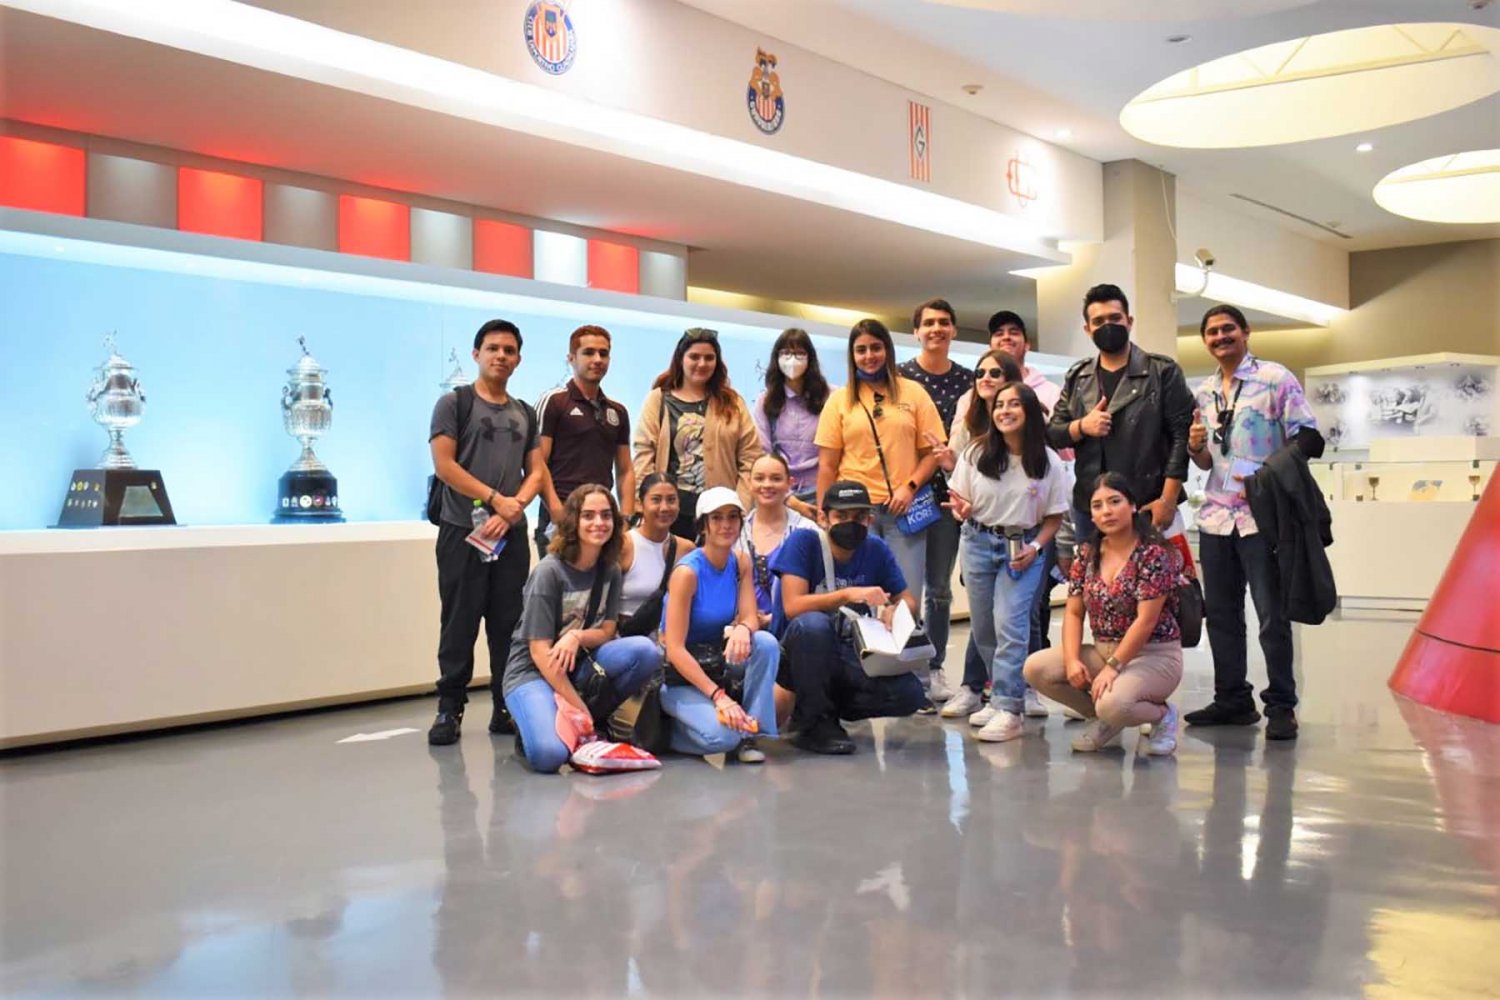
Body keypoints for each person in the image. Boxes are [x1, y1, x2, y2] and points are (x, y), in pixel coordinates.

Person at [1184, 304, 1317, 742]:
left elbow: (1309, 438)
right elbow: (1207, 460)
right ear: (1204, 340)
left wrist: (1268, 473)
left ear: (1246, 332)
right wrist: (1195, 447)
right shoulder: (1204, 391)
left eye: (1228, 330)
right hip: (1217, 516)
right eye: (1212, 332)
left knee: (1271, 616)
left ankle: (1281, 704)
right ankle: (1232, 699)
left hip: (1263, 516)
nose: (1220, 337)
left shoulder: (1276, 379)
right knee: (1220, 615)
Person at [427, 319, 546, 746]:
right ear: (476, 354)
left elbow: (535, 472)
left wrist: (514, 508)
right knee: (459, 622)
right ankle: (449, 708)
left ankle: (505, 706)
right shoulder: (453, 404)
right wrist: (496, 499)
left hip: (509, 533)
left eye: (509, 350)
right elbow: (446, 466)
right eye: (493, 348)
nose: (501, 356)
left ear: (518, 359)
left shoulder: (525, 412)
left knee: (508, 624)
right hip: (463, 530)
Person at [814, 319, 945, 701]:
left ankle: (916, 683)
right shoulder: (840, 401)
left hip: (904, 509)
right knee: (857, 599)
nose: (869, 355)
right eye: (861, 349)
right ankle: (857, 680)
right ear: (852, 355)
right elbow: (827, 464)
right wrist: (826, 513)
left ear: (887, 349)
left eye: (875, 347)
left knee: (906, 598)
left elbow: (931, 454)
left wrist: (910, 486)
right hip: (855, 514)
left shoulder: (913, 393)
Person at [501, 485, 663, 773]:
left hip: (579, 663)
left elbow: (608, 629)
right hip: (531, 672)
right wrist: (579, 707)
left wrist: (577, 636)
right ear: (573, 521)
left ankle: (590, 720)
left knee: (646, 652)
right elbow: (539, 653)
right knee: (549, 756)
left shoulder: (610, 569)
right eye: (588, 516)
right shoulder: (549, 572)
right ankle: (543, 722)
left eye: (605, 515)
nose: (598, 523)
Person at [944, 383, 1070, 741]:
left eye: (1014, 404)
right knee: (984, 628)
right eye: (1000, 405)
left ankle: (1009, 706)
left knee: (1011, 625)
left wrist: (1037, 547)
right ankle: (998, 695)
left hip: (1023, 548)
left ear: (1029, 411)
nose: (1005, 411)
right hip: (977, 541)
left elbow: (1054, 517)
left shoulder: (1048, 461)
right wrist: (961, 511)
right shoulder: (975, 452)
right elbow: (960, 502)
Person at [1023, 473, 1183, 755]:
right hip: (1103, 649)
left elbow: (1146, 622)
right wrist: (1072, 660)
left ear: (1132, 506)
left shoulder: (1153, 554)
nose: (1106, 511)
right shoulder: (1087, 553)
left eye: (1114, 501)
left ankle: (1162, 716)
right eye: (1097, 506)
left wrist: (1112, 669)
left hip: (1153, 654)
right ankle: (1104, 719)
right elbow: (1073, 612)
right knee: (1036, 668)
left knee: (1114, 703)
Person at [771, 481, 929, 754]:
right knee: (813, 625)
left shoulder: (876, 549)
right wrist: (848, 595)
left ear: (869, 519)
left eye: (858, 517)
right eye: (841, 516)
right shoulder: (804, 542)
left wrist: (896, 610)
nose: (850, 523)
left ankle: (827, 709)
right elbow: (793, 606)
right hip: (797, 655)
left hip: (849, 652)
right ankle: (813, 725)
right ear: (823, 518)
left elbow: (908, 599)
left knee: (910, 694)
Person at [1046, 284, 1195, 543]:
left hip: (1148, 502)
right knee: (1096, 582)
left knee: (1158, 581)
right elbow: (1054, 434)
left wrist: (1168, 500)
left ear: (1129, 321)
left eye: (1115, 318)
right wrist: (1082, 426)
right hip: (1091, 508)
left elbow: (1181, 438)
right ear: (1087, 329)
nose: (1108, 326)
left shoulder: (1162, 371)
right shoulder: (1078, 377)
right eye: (1098, 321)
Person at [659, 487, 781, 763]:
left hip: (714, 662)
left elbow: (751, 617)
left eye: (732, 517)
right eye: (717, 518)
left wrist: (743, 628)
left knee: (765, 643)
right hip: (679, 676)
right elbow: (674, 649)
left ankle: (751, 733)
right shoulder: (687, 573)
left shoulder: (740, 562)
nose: (726, 525)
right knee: (723, 738)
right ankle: (670, 734)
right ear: (704, 525)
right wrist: (719, 697)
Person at [897, 299, 974, 705]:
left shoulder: (968, 381)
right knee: (904, 589)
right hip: (907, 496)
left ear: (954, 330)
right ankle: (903, 669)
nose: (936, 329)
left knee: (939, 589)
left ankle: (934, 667)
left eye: (944, 322)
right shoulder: (900, 378)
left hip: (949, 500)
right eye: (928, 323)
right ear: (916, 331)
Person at [633, 328, 763, 540]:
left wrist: (740, 507)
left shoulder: (733, 402)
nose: (702, 363)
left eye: (709, 358)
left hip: (718, 513)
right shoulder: (658, 399)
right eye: (694, 356)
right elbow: (644, 455)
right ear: (680, 359)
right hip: (668, 512)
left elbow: (750, 458)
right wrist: (642, 505)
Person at [533, 325, 634, 561]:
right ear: (571, 358)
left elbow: (625, 470)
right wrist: (559, 514)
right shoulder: (554, 401)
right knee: (560, 596)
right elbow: (536, 464)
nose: (597, 359)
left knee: (602, 594)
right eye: (588, 352)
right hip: (560, 523)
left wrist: (626, 520)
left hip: (601, 521)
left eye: (604, 353)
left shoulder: (617, 411)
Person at [752, 328, 831, 509]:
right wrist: (789, 499)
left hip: (822, 492)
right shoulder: (766, 401)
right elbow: (763, 451)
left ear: (810, 358)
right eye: (786, 353)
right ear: (776, 358)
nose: (792, 359)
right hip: (780, 493)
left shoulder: (831, 396)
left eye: (799, 353)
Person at [735, 453, 813, 636]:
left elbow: (817, 589)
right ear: (749, 482)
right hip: (741, 629)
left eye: (776, 479)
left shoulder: (808, 531)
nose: (767, 485)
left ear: (790, 483)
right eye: (760, 478)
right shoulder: (735, 532)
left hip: (793, 629)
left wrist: (773, 618)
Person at [617, 474, 696, 636]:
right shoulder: (623, 545)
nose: (665, 507)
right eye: (656, 500)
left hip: (670, 640)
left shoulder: (687, 549)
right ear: (640, 504)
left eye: (671, 500)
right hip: (627, 641)